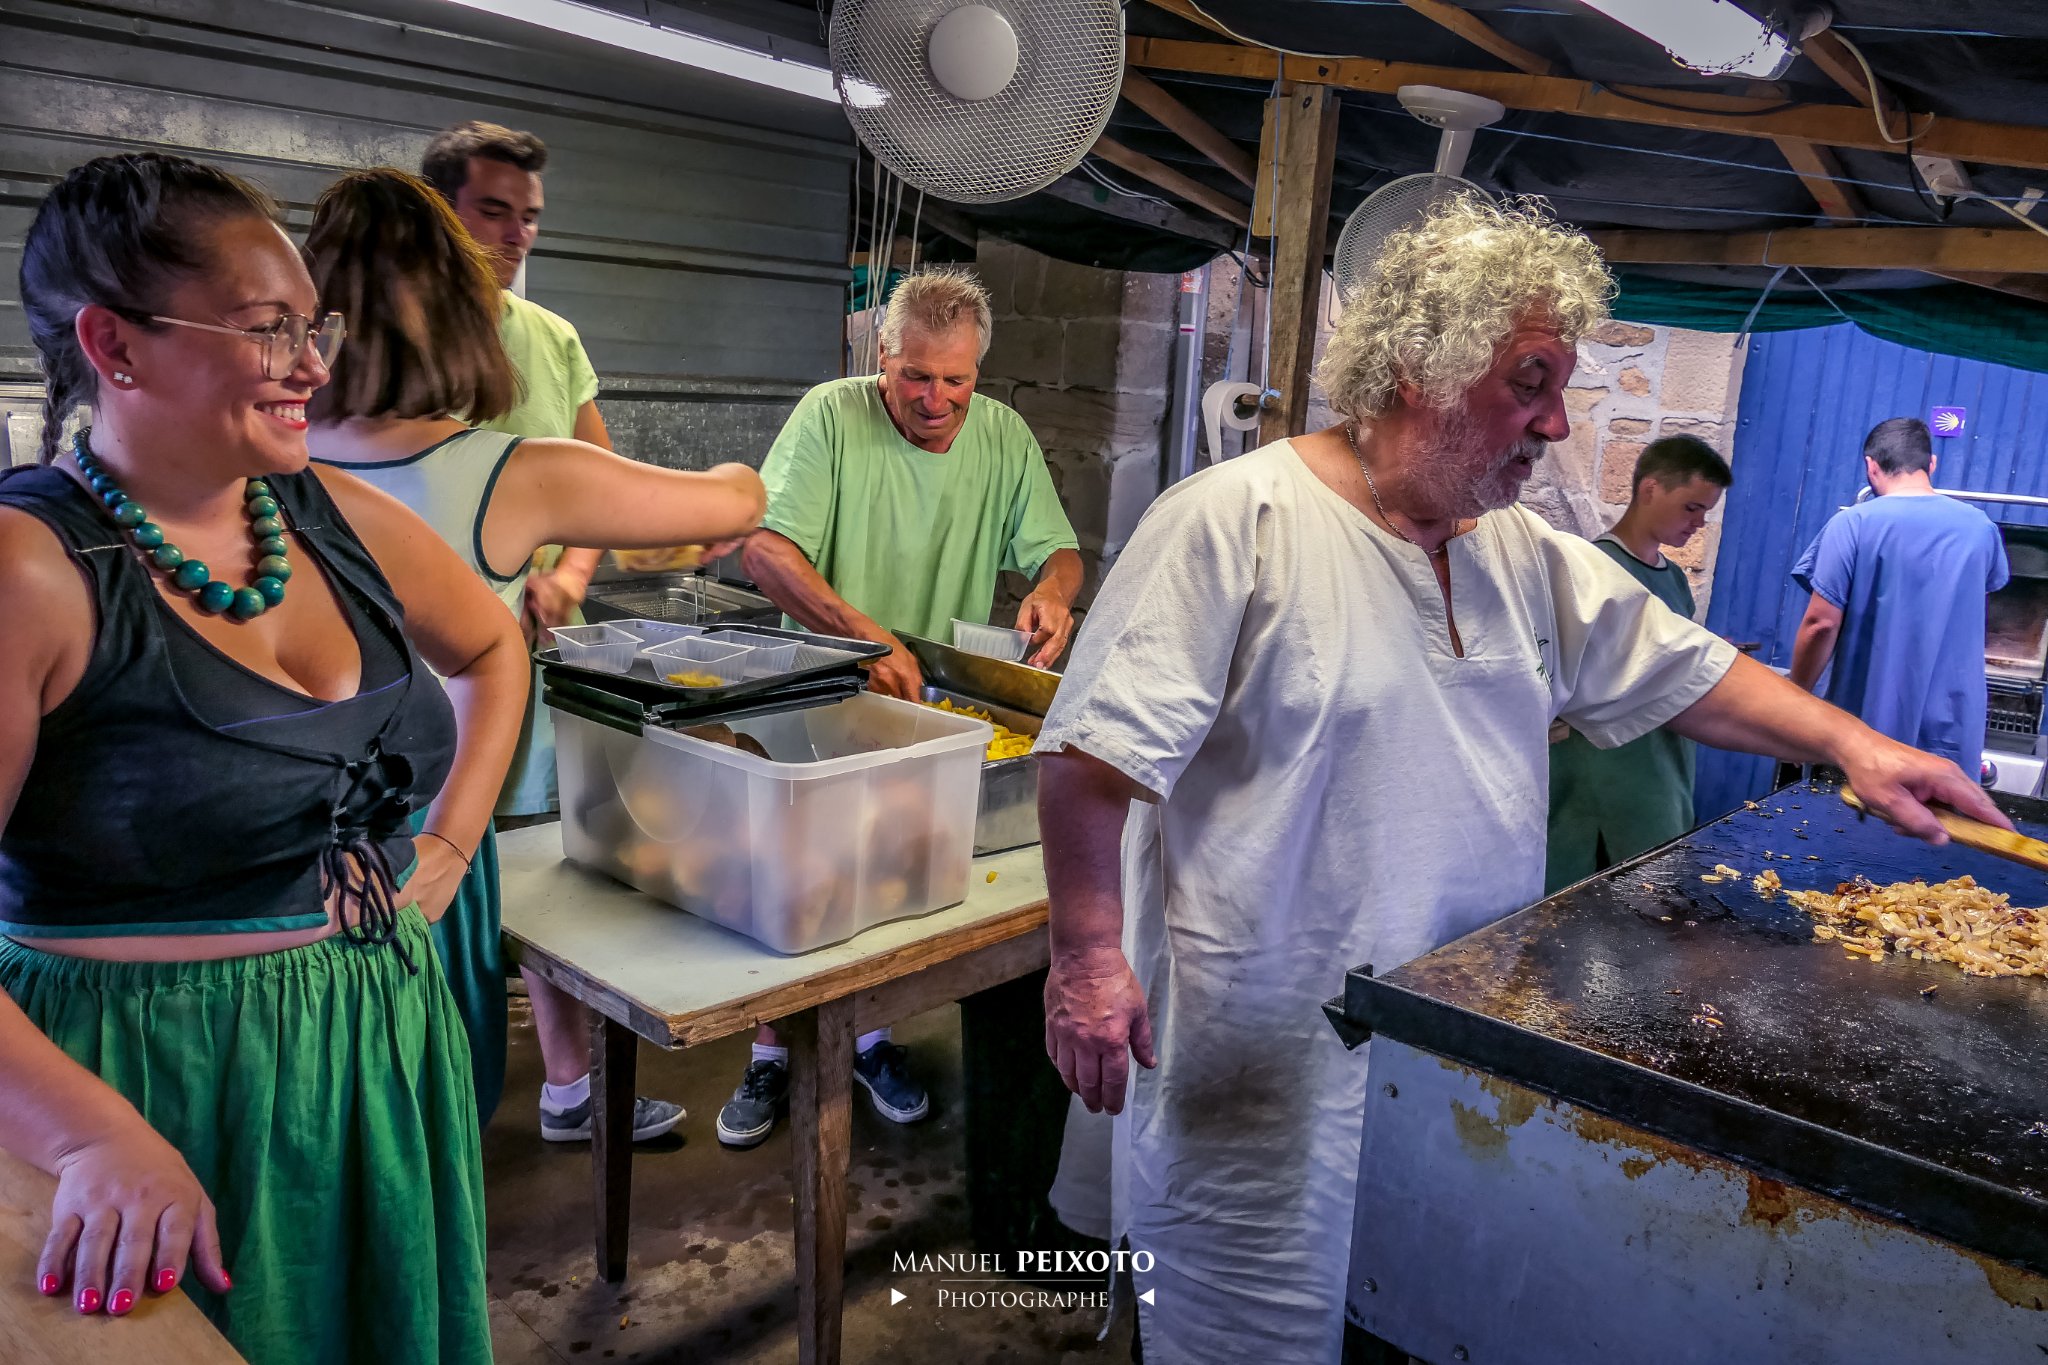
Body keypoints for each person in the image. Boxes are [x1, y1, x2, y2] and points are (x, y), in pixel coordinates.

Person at [1032, 195, 2003, 1365]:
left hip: (1455, 1034)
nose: (1555, 421)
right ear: (1416, 367)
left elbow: (1681, 669)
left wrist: (1855, 746)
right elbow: (1088, 762)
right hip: (1266, 1049)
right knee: (1253, 1317)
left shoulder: (1517, 550)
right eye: (1528, 382)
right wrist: (1087, 960)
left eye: (1560, 387)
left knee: (1412, 1307)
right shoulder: (1233, 522)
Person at [3, 152, 533, 1363]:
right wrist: (87, 1137)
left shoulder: (326, 514)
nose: (313, 366)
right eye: (269, 329)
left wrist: (449, 844)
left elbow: (491, 647)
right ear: (115, 344)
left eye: (314, 326)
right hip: (149, 1079)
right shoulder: (30, 568)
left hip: (373, 1037)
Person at [302, 167, 766, 1139]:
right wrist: (737, 481)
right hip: (432, 831)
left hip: (289, 838)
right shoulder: (509, 475)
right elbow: (733, 501)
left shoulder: (270, 457)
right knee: (424, 1113)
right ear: (470, 320)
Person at [720, 268, 1083, 1149]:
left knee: (889, 877)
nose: (935, 398)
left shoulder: (1001, 435)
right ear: (881, 356)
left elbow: (1060, 549)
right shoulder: (830, 417)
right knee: (796, 878)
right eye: (916, 375)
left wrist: (1053, 592)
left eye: (956, 379)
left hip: (926, 707)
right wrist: (863, 637)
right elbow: (763, 549)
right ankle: (768, 1051)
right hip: (819, 693)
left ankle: (869, 1038)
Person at [421, 119, 695, 1140]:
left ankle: (569, 1089)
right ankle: (427, 1096)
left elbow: (599, 484)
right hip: (420, 668)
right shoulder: (389, 339)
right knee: (430, 872)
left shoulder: (551, 339)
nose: (515, 234)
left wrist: (571, 571)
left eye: (529, 216)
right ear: (438, 210)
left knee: (539, 874)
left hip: (533, 654)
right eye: (493, 210)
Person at [1546, 433, 1732, 892]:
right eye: (1691, 507)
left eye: (1705, 512)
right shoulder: (1592, 568)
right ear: (1650, 489)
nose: (1699, 523)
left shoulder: (1675, 580)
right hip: (1604, 778)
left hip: (1664, 769)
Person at [1790, 416, 2008, 770]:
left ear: (1871, 466)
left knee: (1845, 808)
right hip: (1950, 735)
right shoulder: (1981, 529)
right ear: (1932, 464)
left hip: (1863, 737)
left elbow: (1821, 624)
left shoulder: (1852, 524)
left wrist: (1795, 699)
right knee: (1939, 808)